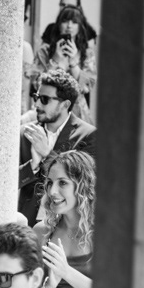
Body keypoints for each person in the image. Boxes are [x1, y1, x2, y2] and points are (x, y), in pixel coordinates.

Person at [34, 151, 95, 288]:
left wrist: (66, 272)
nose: (52, 191)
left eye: (62, 183)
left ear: (83, 185)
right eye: (50, 183)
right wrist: (47, 287)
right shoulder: (41, 232)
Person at [18, 70, 95, 226]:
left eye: (44, 99)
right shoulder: (25, 133)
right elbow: (8, 182)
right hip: (27, 224)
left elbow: (85, 184)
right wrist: (32, 165)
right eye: (36, 97)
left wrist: (47, 154)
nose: (36, 104)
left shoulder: (88, 135)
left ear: (65, 104)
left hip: (66, 225)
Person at [33, 6, 97, 122]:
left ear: (80, 26)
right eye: (65, 21)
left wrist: (73, 62)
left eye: (74, 22)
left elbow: (86, 88)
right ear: (58, 24)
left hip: (77, 114)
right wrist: (55, 60)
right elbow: (37, 84)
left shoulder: (87, 53)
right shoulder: (44, 51)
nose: (69, 26)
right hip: (47, 110)